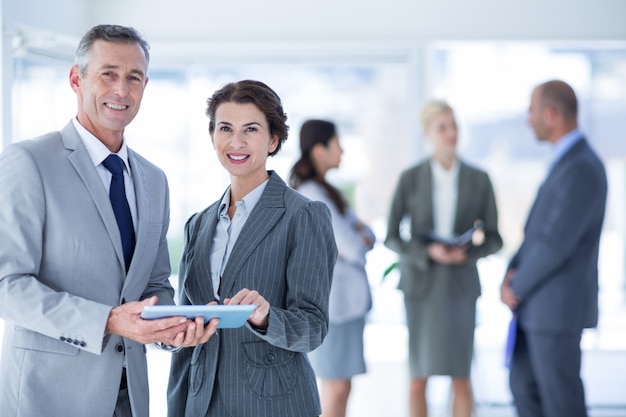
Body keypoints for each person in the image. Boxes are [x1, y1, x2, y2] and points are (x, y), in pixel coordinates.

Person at [0, 24, 215, 417]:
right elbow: (7, 286)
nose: (122, 89)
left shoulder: (154, 180)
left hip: (129, 396)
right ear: (75, 79)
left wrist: (171, 330)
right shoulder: (29, 162)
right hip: (48, 395)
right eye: (108, 74)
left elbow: (152, 283)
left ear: (145, 86)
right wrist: (108, 321)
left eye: (134, 77)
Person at [167, 80, 338, 417]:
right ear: (213, 136)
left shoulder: (303, 216)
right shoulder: (198, 225)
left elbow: (313, 326)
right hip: (202, 402)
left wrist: (265, 318)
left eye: (251, 129)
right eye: (225, 128)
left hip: (272, 403)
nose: (236, 142)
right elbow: (187, 329)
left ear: (273, 139)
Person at [385, 100, 503, 417]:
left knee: (461, 377)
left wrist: (466, 255)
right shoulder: (410, 178)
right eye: (443, 127)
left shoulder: (480, 179)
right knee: (418, 379)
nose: (452, 133)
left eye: (454, 126)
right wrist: (427, 252)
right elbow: (392, 236)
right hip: (421, 289)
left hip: (460, 287)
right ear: (428, 133)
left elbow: (494, 238)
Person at [500, 80, 607, 417]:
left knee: (562, 403)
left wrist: (515, 285)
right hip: (537, 308)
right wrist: (511, 273)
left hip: (557, 312)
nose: (527, 119)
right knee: (525, 390)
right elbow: (535, 234)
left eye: (531, 111)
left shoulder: (582, 167)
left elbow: (555, 244)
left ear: (551, 114)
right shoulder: (566, 163)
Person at [289, 119, 375, 417]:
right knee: (336, 390)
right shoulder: (313, 192)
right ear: (319, 150)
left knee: (339, 388)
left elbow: (363, 236)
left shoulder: (327, 190)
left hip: (344, 306)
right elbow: (353, 245)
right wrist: (357, 239)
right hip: (335, 307)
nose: (343, 150)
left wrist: (358, 238)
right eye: (337, 143)